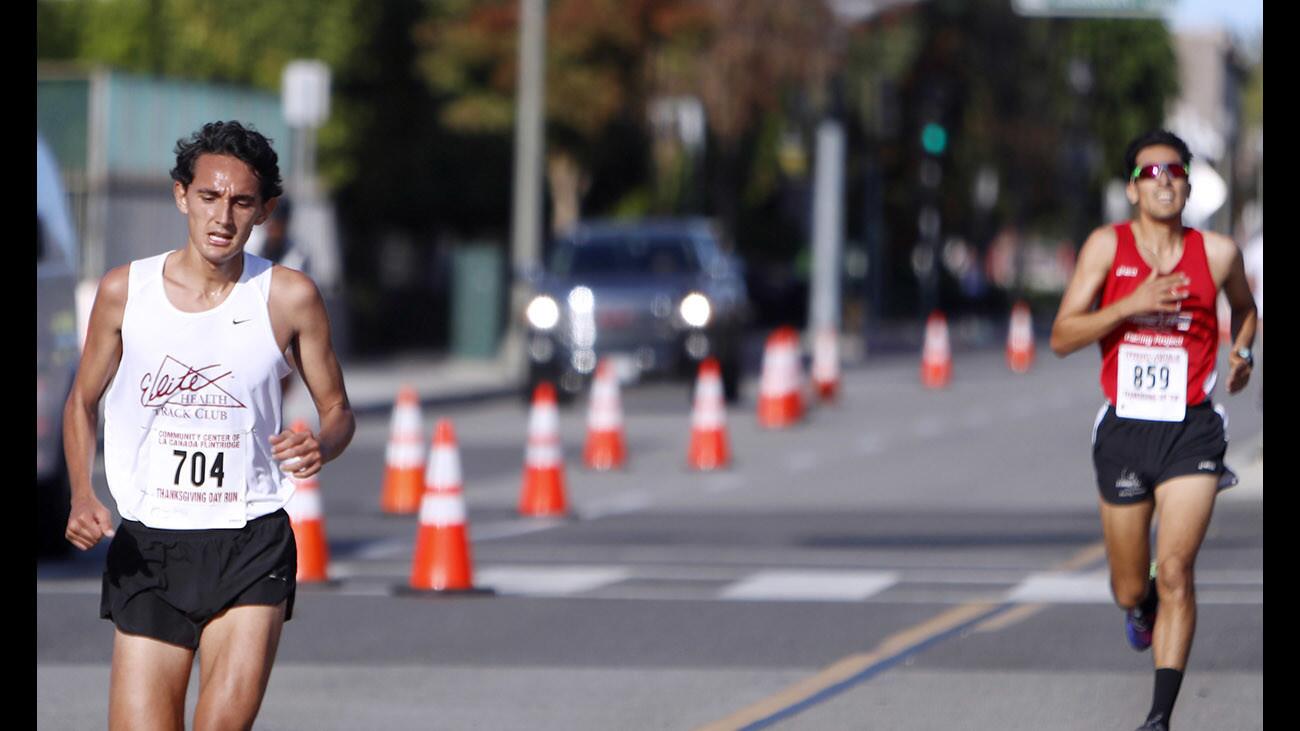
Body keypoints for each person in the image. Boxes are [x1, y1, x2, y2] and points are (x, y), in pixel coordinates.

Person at [63, 120, 355, 730]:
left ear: (265, 211)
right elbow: (82, 402)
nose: (223, 216)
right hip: (149, 544)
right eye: (209, 197)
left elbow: (338, 412)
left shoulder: (288, 297)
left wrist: (320, 446)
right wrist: (83, 493)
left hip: (250, 539)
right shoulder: (125, 292)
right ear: (181, 196)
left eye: (241, 202)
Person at [1050, 130, 1256, 731]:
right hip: (1125, 428)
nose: (1164, 179)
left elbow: (1246, 310)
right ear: (1133, 189)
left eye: (1175, 170)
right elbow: (1063, 336)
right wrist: (1129, 303)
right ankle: (1137, 609)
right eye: (1151, 172)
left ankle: (1159, 718)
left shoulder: (1216, 253)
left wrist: (1243, 352)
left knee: (1176, 572)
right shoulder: (1105, 248)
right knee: (1127, 585)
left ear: (1189, 184)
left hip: (1192, 428)